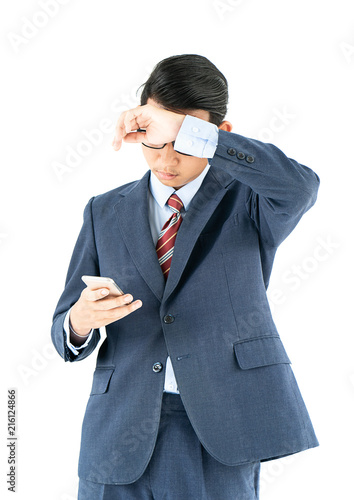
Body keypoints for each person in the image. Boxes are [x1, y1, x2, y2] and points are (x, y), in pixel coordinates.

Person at [51, 54, 320, 500]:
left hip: (219, 427)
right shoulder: (104, 210)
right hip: (118, 428)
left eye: (183, 142)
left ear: (217, 135)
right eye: (154, 141)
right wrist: (79, 322)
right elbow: (65, 331)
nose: (166, 158)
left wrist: (191, 132)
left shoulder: (251, 202)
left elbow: (301, 187)